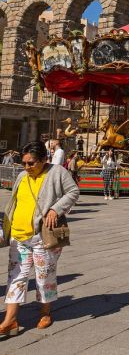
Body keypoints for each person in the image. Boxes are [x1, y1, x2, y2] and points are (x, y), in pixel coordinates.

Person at [0, 140, 79, 338]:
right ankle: (10, 320)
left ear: (44, 159)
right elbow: (15, 202)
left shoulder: (57, 172)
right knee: (15, 277)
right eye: (24, 163)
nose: (27, 167)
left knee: (44, 277)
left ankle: (45, 312)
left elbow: (73, 191)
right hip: (18, 236)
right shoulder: (21, 176)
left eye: (31, 163)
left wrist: (55, 209)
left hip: (42, 236)